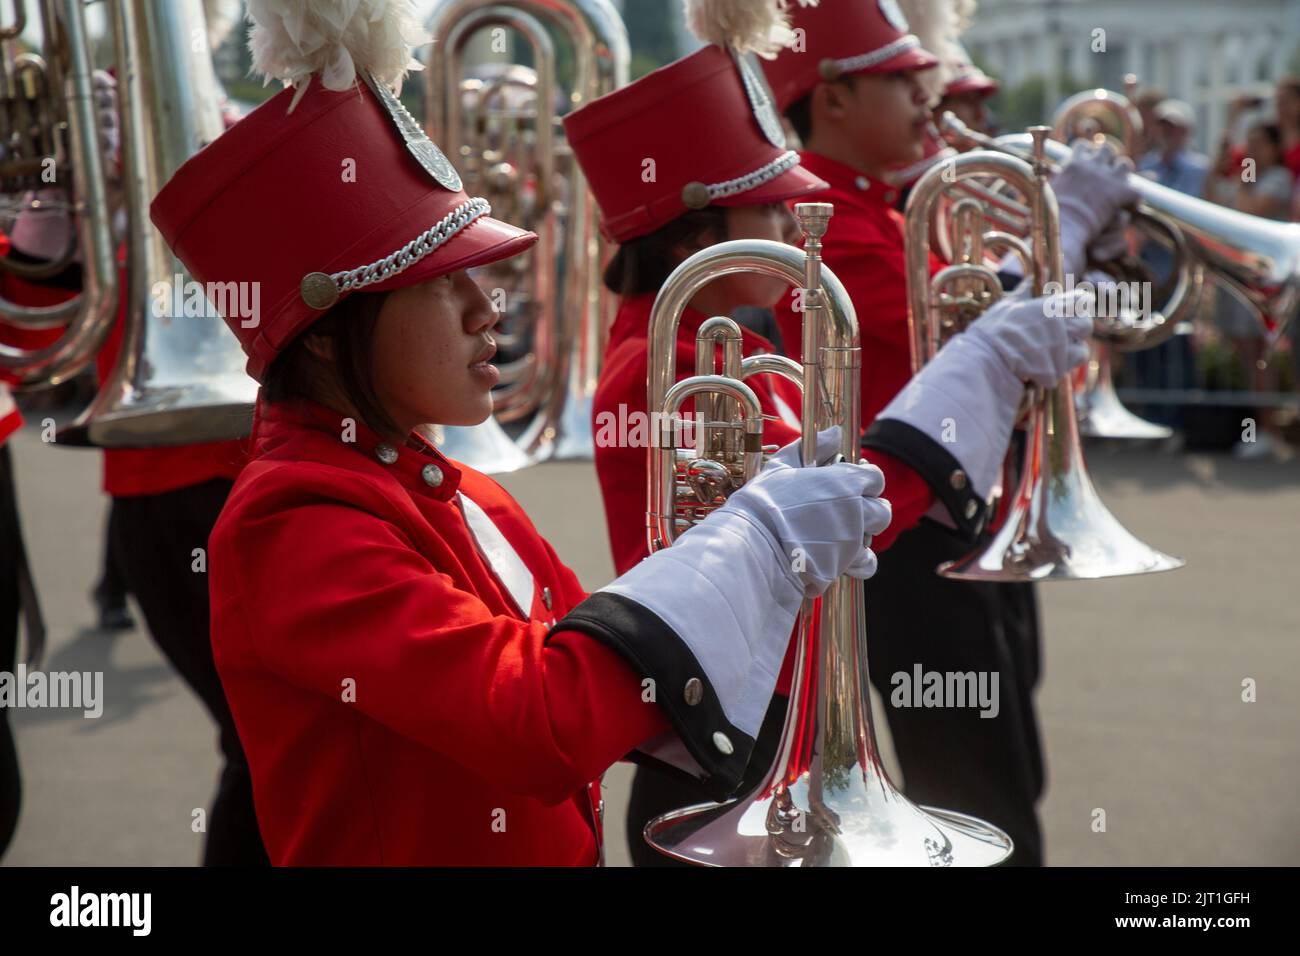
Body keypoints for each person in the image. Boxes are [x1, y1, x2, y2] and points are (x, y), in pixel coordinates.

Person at [146, 0, 906, 867]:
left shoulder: (451, 484)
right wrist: (759, 537)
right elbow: (542, 721)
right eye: (437, 283)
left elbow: (607, 664)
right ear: (323, 328)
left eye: (480, 274)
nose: (487, 308)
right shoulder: (297, 523)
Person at [569, 0, 1101, 866]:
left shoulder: (717, 346)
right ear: (693, 235)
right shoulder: (663, 366)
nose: (791, 229)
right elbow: (823, 522)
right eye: (770, 210)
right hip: (727, 736)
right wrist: (965, 392)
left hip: (758, 716)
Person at [757, 0, 1139, 865]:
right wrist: (1064, 227)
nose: (925, 94)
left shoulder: (887, 212)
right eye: (899, 78)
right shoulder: (825, 228)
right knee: (974, 794)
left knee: (1009, 767)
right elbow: (981, 337)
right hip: (908, 543)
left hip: (968, 510)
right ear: (835, 97)